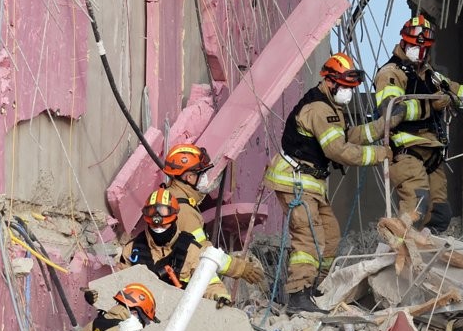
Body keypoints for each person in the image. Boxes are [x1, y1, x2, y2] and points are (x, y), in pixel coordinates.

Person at [263, 52, 393, 313]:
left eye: (351, 87)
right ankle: (298, 296)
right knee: (309, 240)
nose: (348, 92)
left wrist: (383, 126)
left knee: (330, 237)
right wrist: (379, 154)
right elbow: (338, 149)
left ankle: (316, 288)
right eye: (345, 87)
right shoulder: (319, 109)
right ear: (330, 82)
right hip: (295, 182)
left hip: (311, 184)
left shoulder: (332, 107)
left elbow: (348, 135)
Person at [373, 15, 463, 233]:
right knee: (416, 207)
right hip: (405, 151)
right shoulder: (391, 73)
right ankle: (403, 249)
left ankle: (428, 252)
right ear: (403, 41)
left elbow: (457, 91)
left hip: (431, 151)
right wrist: (432, 106)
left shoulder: (431, 75)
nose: (418, 52)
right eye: (413, 46)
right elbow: (392, 110)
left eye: (423, 48)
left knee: (439, 213)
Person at [162, 144, 265, 286]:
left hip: (172, 272)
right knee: (216, 290)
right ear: (190, 177)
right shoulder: (184, 211)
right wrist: (241, 268)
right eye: (202, 174)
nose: (205, 178)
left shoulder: (170, 196)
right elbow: (205, 254)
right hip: (178, 281)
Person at [117, 188, 232, 306]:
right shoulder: (132, 249)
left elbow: (210, 282)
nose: (158, 229)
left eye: (164, 225)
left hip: (178, 314)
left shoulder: (191, 249)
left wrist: (220, 297)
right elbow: (118, 284)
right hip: (141, 315)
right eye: (154, 225)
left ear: (174, 219)